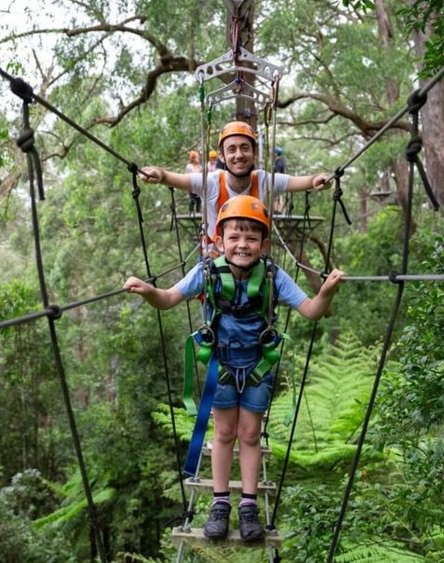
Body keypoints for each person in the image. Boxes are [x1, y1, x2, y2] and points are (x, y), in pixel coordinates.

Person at [124, 195, 345, 541]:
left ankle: (248, 507)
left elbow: (312, 311)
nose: (243, 244)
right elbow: (167, 299)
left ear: (264, 244)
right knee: (225, 433)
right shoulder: (207, 271)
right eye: (234, 237)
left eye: (251, 238)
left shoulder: (273, 275)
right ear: (219, 240)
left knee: (251, 434)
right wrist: (148, 291)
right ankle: (220, 504)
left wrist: (327, 291)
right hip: (222, 364)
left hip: (258, 364)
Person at [141, 121, 330, 239]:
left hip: (253, 264)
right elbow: (170, 177)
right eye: (232, 149)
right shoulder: (211, 183)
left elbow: (305, 181)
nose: (239, 155)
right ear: (222, 157)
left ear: (254, 153)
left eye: (244, 148)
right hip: (215, 265)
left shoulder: (264, 181)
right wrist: (158, 173)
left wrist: (319, 179)